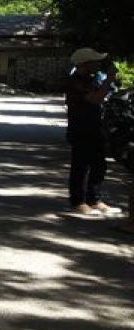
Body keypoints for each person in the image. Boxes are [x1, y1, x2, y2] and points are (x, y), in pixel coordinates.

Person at [65, 48, 120, 217]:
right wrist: (109, 78)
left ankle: (94, 200)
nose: (98, 64)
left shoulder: (91, 79)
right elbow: (95, 98)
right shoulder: (75, 81)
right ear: (84, 63)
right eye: (95, 61)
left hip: (95, 127)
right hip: (81, 128)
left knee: (99, 165)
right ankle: (78, 202)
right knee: (80, 166)